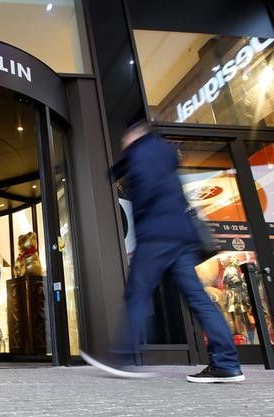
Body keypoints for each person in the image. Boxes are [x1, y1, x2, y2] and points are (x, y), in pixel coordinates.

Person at [81, 120, 244, 383]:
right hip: (180, 236)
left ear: (135, 135)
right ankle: (227, 363)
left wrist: (140, 211)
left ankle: (123, 357)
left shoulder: (141, 153)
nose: (123, 142)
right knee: (198, 298)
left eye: (125, 138)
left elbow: (146, 187)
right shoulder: (163, 153)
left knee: (137, 293)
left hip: (157, 235)